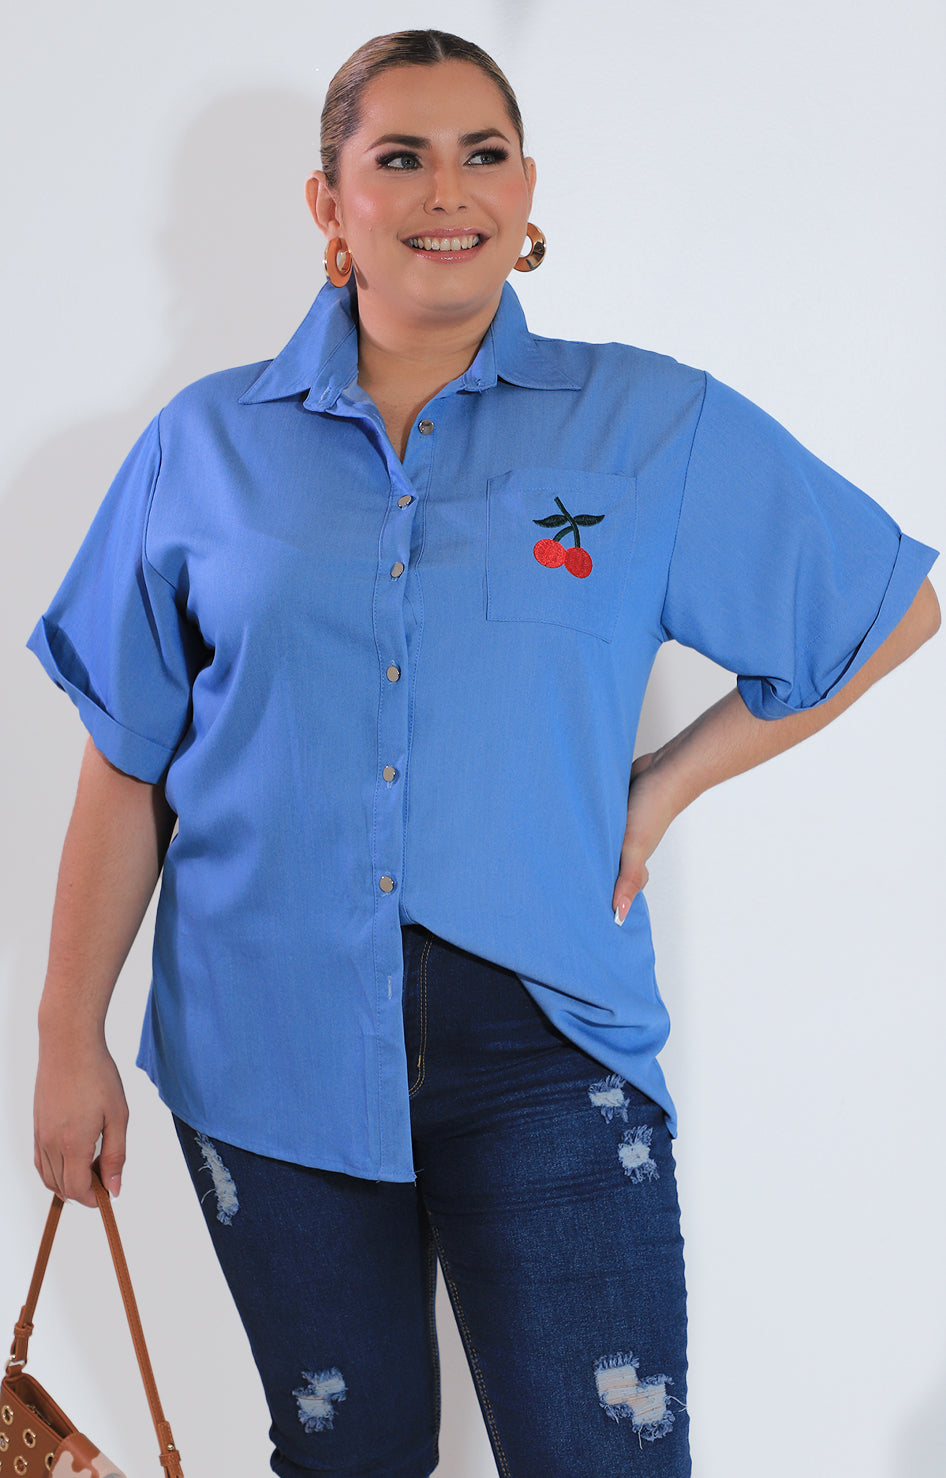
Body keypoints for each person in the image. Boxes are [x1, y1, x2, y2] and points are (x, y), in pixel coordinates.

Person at [28, 28, 938, 1478]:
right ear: (329, 203)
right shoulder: (201, 449)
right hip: (263, 1043)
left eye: (482, 153)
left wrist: (662, 787)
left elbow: (880, 609)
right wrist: (65, 1037)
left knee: (602, 1458)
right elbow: (127, 759)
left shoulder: (646, 423)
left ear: (525, 193)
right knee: (348, 1457)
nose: (446, 189)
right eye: (399, 157)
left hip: (546, 1040)